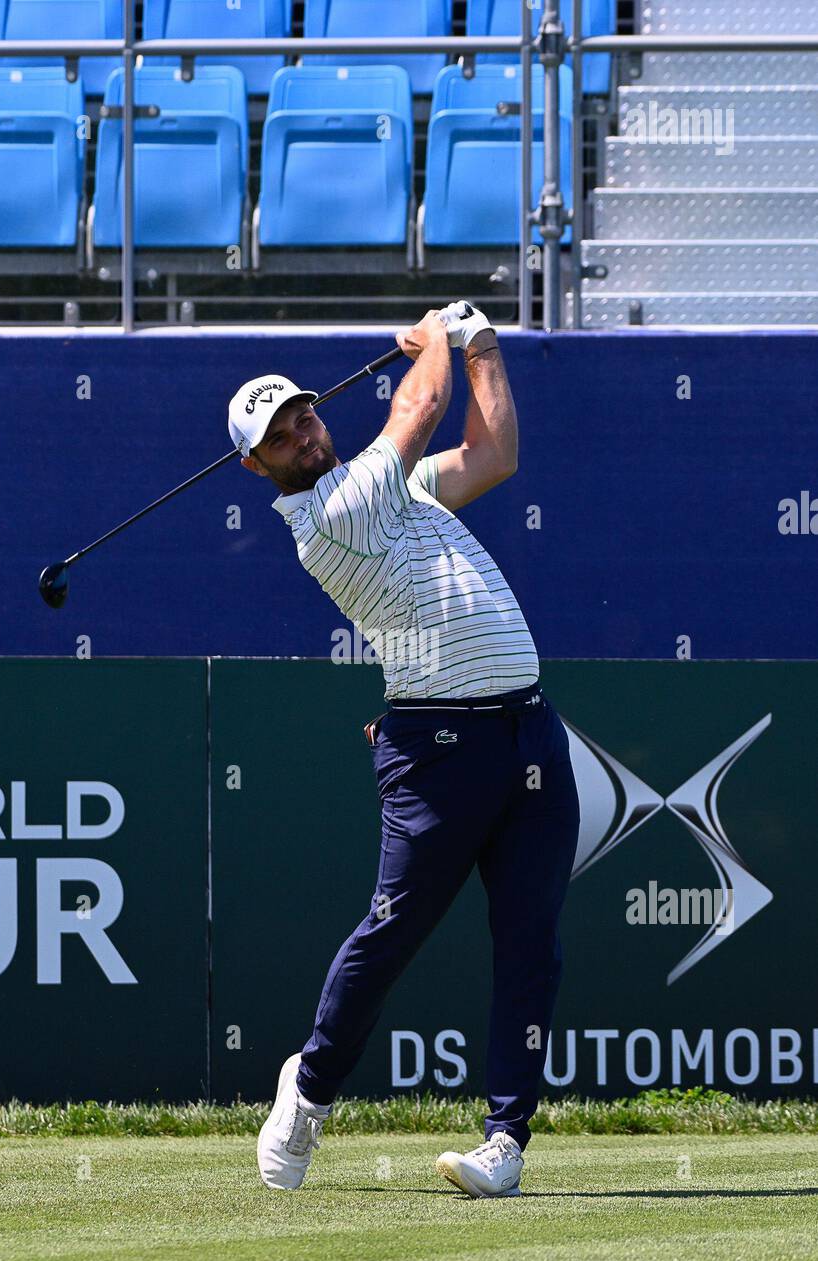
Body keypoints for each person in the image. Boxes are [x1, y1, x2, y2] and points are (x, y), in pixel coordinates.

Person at [228, 302, 580, 1198]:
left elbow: (495, 454)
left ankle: (506, 1140)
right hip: (438, 747)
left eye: (304, 413)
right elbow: (415, 414)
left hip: (530, 733)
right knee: (393, 934)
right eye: (280, 434)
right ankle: (307, 1092)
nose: (304, 432)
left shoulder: (400, 490)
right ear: (256, 466)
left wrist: (482, 345)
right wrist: (434, 340)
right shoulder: (334, 515)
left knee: (530, 941)